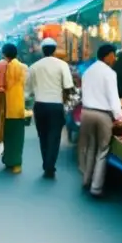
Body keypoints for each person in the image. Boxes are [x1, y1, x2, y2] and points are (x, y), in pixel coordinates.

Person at [79, 45, 122, 197]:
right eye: (114, 55)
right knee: (102, 151)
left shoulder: (88, 71)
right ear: (109, 55)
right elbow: (113, 97)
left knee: (90, 147)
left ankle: (86, 180)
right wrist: (119, 117)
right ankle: (96, 188)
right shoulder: (109, 73)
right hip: (102, 114)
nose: (115, 59)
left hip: (86, 112)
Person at [26, 37, 74, 178]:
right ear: (54, 50)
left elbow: (28, 90)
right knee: (54, 136)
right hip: (56, 105)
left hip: (39, 105)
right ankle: (50, 165)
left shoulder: (34, 67)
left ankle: (46, 162)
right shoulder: (62, 65)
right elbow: (68, 86)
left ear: (42, 50)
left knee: (43, 135)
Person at [0, 44, 28, 174]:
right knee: (18, 137)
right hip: (18, 108)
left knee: (8, 136)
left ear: (4, 54)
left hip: (6, 107)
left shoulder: (3, 68)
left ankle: (8, 159)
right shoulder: (23, 68)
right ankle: (16, 164)